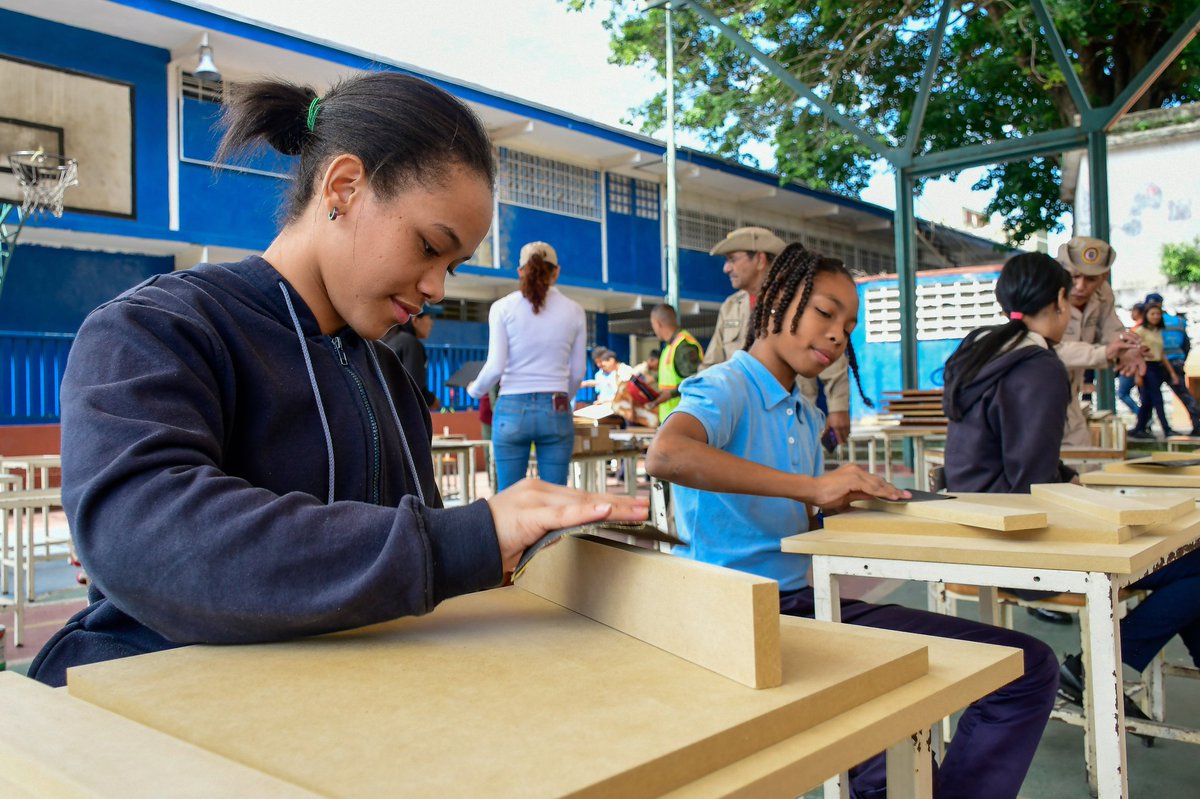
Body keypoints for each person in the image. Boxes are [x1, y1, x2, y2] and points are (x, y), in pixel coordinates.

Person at [28, 72, 646, 687]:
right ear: (344, 186)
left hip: (349, 720)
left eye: (451, 267)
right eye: (430, 246)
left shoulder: (387, 376)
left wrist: (501, 548)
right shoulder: (159, 326)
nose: (436, 287)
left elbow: (400, 574)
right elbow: (143, 535)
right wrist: (459, 541)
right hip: (160, 716)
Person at [645, 242, 1058, 799]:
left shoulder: (805, 412)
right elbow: (666, 455)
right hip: (739, 617)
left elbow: (797, 517)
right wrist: (814, 489)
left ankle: (879, 781)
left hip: (800, 605)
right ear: (773, 303)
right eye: (824, 312)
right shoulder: (727, 385)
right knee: (1024, 670)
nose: (840, 334)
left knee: (1012, 673)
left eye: (850, 323)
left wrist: (841, 504)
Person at [702, 226, 852, 445]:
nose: (726, 268)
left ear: (760, 259)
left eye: (733, 259)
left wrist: (838, 407)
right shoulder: (731, 306)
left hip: (792, 422)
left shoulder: (798, 302)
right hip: (741, 423)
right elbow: (712, 364)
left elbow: (828, 348)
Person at [942, 252, 1075, 493]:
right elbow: (1035, 481)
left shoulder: (980, 348)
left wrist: (1066, 476)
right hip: (1006, 516)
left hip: (966, 505)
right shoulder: (1040, 368)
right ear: (1061, 298)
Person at [468, 241, 588, 490]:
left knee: (509, 499)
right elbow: (578, 372)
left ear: (520, 271)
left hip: (511, 408)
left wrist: (475, 390)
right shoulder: (575, 311)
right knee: (555, 498)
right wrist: (563, 396)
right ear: (556, 271)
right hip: (556, 407)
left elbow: (495, 367)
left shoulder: (501, 308)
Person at [1054, 236, 1145, 446]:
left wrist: (1128, 350)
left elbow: (1112, 330)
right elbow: (1043, 348)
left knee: (1084, 465)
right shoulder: (1042, 291)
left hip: (1070, 397)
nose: (1080, 286)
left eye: (1091, 279)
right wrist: (1104, 353)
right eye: (1074, 276)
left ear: (1104, 276)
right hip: (1035, 396)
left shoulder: (1103, 293)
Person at [1144, 291, 1200, 435]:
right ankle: (1196, 425)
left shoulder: (1151, 323)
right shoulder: (1178, 321)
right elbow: (1186, 344)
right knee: (1183, 395)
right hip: (1175, 361)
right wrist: (1181, 359)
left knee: (1151, 397)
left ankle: (1147, 427)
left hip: (1157, 364)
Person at [644, 303, 703, 423]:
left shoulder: (684, 346)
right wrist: (653, 379)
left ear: (657, 323)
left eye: (652, 325)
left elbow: (693, 381)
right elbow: (672, 376)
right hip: (672, 420)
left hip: (684, 420)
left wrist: (663, 397)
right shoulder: (670, 346)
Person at [1129, 303, 1177, 439]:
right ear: (1146, 315)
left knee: (1147, 401)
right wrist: (1138, 374)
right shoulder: (1140, 331)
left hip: (1157, 366)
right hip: (1146, 367)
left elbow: (1161, 353)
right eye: (1152, 314)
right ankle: (1166, 428)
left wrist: (1171, 372)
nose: (1156, 316)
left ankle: (1139, 428)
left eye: (1158, 314)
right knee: (1157, 398)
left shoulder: (1157, 331)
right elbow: (1135, 354)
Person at [382, 303, 441, 410]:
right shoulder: (411, 343)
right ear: (415, 321)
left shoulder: (390, 338)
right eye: (429, 317)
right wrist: (432, 400)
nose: (432, 323)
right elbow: (414, 387)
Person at [1116, 303, 1145, 417]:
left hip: (1132, 367)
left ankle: (1141, 415)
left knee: (1122, 393)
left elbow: (1136, 354)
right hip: (1135, 367)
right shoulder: (1139, 328)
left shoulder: (1138, 330)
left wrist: (1138, 374)